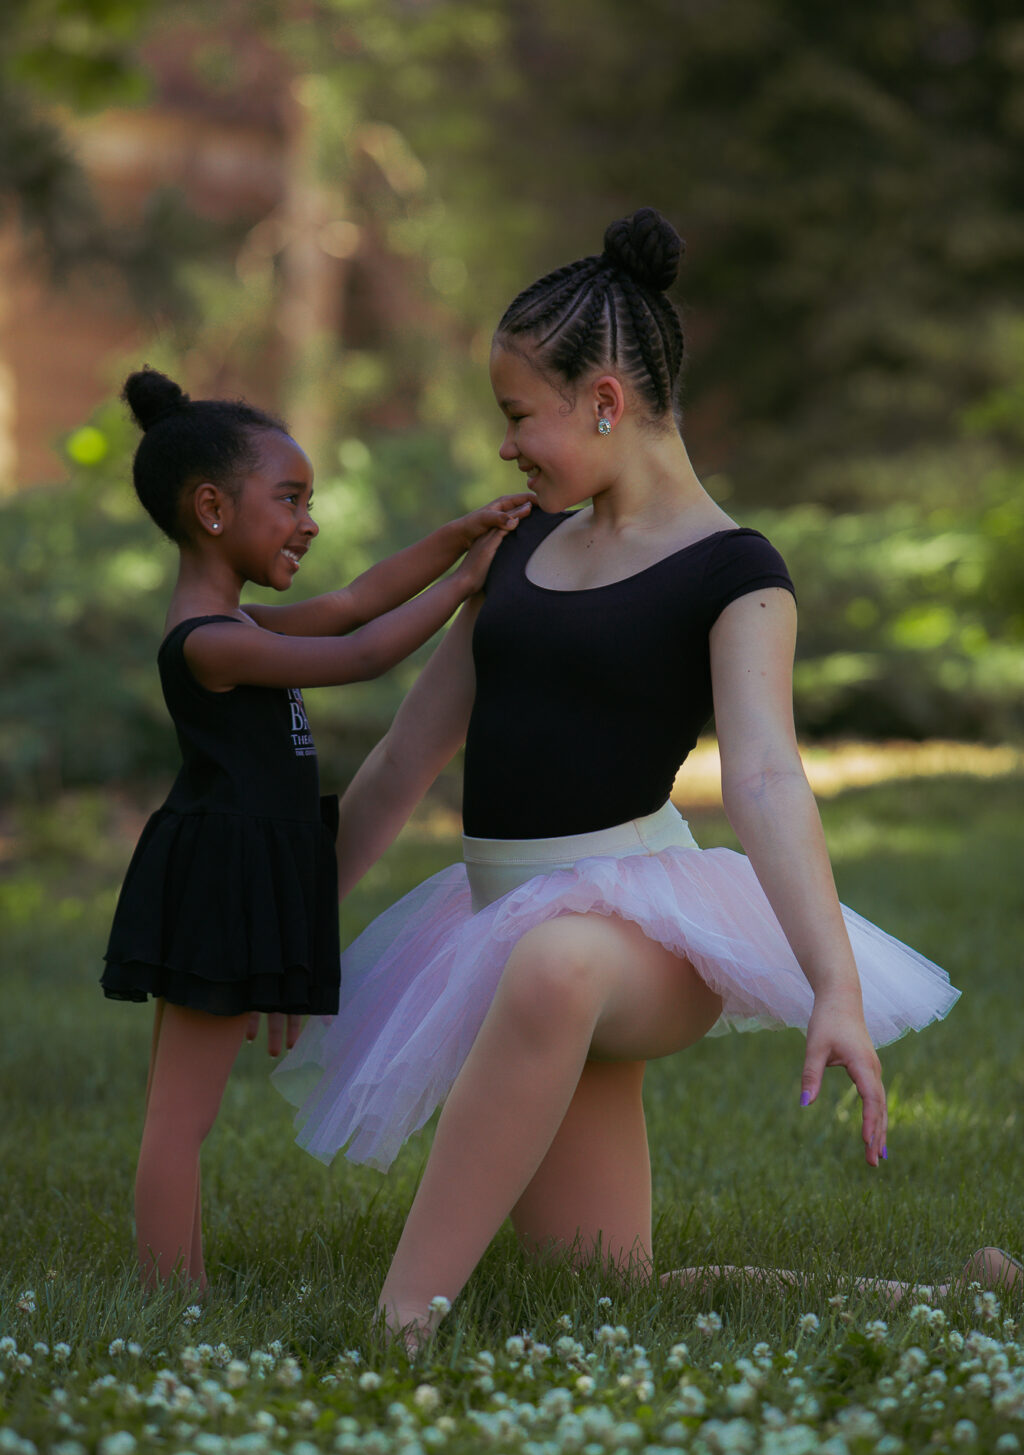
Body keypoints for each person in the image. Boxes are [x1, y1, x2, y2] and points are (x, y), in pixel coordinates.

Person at [274, 209, 965, 1344]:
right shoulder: (525, 547)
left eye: (518, 417)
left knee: (553, 967)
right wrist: (297, 933)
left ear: (603, 399)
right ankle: (945, 1298)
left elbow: (766, 778)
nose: (506, 448)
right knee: (600, 1282)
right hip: (498, 911)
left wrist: (831, 985)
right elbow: (407, 756)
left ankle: (399, 1323)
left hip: (638, 926)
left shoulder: (736, 572)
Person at [100, 366, 532, 1290]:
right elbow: (364, 651)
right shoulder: (209, 642)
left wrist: (456, 538)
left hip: (247, 872)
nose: (310, 520)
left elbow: (352, 604)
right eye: (290, 498)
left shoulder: (239, 621)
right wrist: (465, 585)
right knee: (181, 1118)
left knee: (184, 1112)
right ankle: (172, 1295)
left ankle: (175, 1283)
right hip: (218, 884)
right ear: (211, 508)